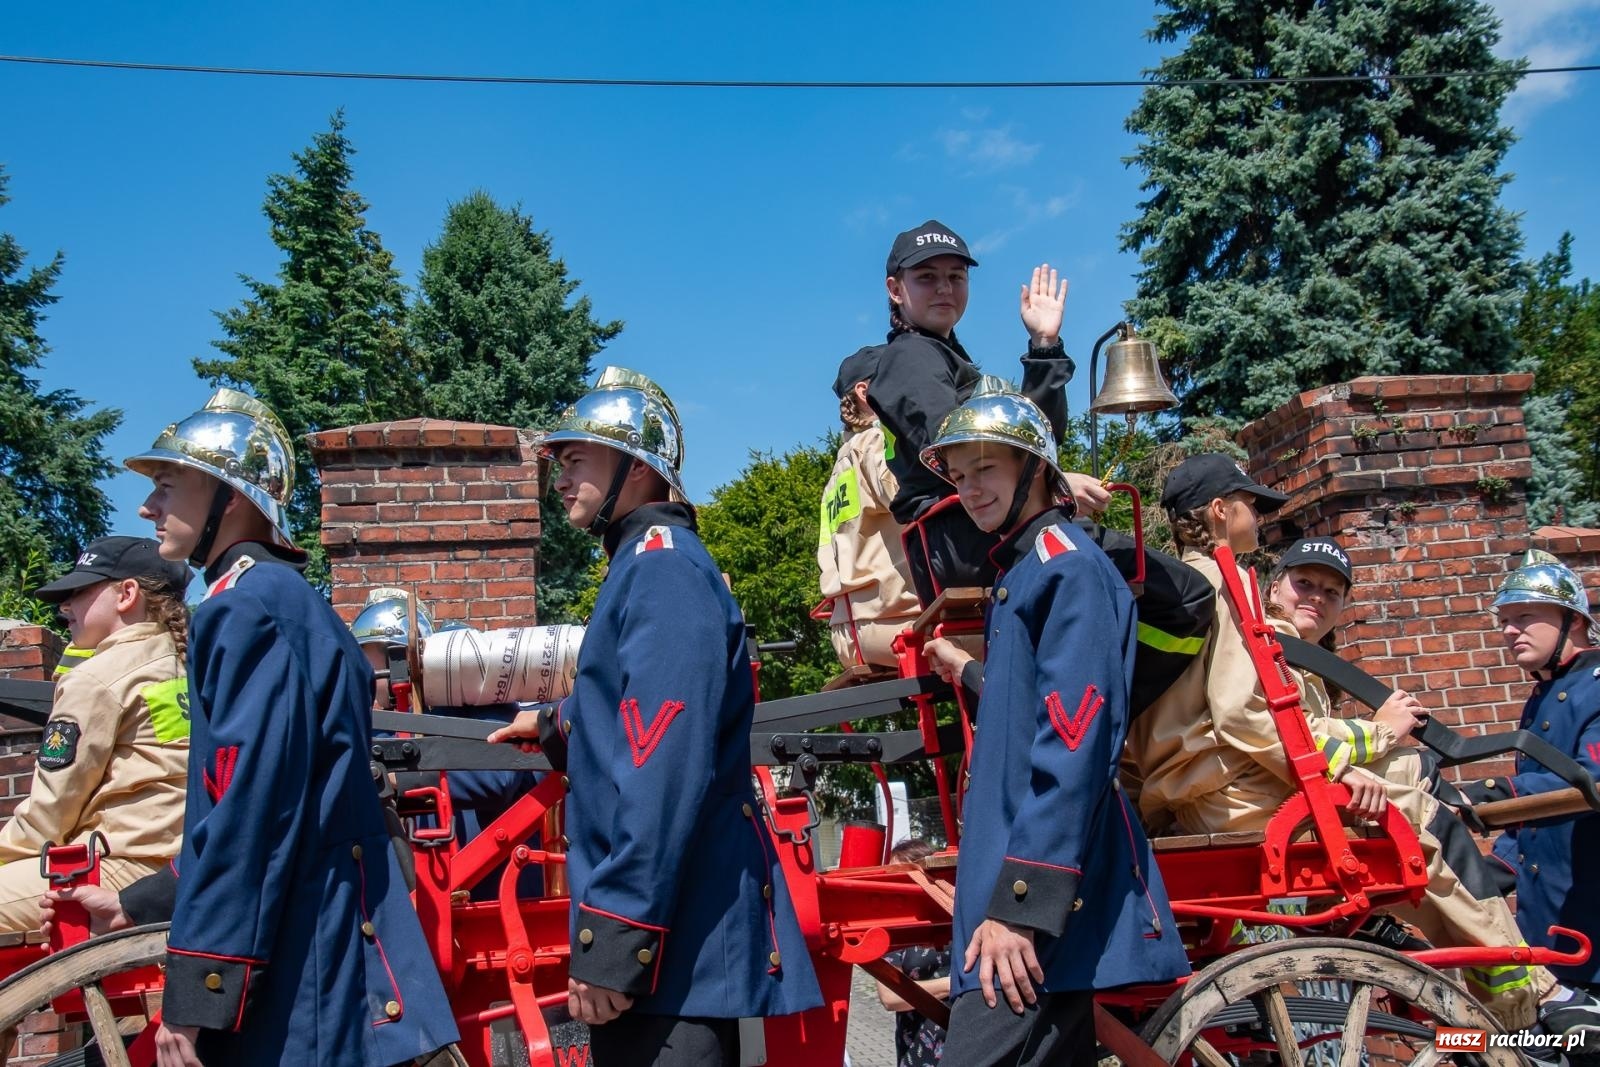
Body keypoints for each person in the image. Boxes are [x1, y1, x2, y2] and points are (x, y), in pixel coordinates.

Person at [47, 389, 458, 1067]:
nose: (149, 507)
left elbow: (250, 817)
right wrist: (139, 903)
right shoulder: (283, 602)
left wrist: (201, 989)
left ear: (228, 497)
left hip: (298, 973)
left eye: (168, 486)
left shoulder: (247, 611)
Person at [1126, 461, 1592, 1034]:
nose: (1262, 516)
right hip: (1233, 795)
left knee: (1406, 777)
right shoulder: (1226, 582)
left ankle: (1491, 986)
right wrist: (1348, 760)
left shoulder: (1171, 587)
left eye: (1333, 592)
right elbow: (1243, 714)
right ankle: (1524, 994)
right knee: (1416, 814)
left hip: (1194, 791)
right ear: (1220, 510)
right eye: (1251, 503)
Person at [486, 367, 821, 1066]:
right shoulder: (644, 565)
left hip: (672, 959)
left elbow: (660, 772)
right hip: (669, 958)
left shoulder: (662, 569)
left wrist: (615, 939)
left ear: (638, 467)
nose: (562, 475)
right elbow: (634, 703)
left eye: (579, 456)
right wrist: (558, 724)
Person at [916, 388, 1187, 1066]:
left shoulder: (1064, 566)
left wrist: (1021, 905)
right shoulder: (1030, 569)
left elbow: (1075, 747)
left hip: (1032, 910)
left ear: (1035, 469)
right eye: (959, 472)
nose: (970, 488)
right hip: (1023, 899)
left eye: (987, 469)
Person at [852, 219, 1104, 602]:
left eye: (956, 276)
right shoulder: (911, 357)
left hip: (987, 532)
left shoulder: (940, 355)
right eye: (926, 277)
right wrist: (1055, 482)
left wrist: (1044, 344)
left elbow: (1037, 438)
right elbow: (957, 449)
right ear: (895, 289)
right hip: (968, 539)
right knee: (1183, 595)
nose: (944, 288)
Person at [0, 536, 191, 932]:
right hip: (174, 870)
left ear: (126, 594)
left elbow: (50, 813)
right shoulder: (188, 668)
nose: (64, 607)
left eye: (80, 592)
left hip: (114, 869)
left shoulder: (98, 677)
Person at [1462, 551, 1600, 1027]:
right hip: (1551, 931)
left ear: (1572, 621)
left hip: (1593, 923)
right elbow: (1529, 834)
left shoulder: (1597, 687)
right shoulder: (1542, 697)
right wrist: (1482, 874)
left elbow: (1591, 780)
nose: (1509, 630)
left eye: (1524, 617)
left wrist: (1499, 790)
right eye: (1503, 620)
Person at [817, 348, 922, 669]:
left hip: (848, 632)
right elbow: (910, 499)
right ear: (865, 392)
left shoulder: (837, 472)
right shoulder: (878, 441)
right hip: (896, 625)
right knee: (1010, 622)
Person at [874, 838, 951, 1067]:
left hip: (967, 1040)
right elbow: (891, 997)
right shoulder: (892, 926)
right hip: (919, 1048)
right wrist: (954, 985)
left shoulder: (955, 911)